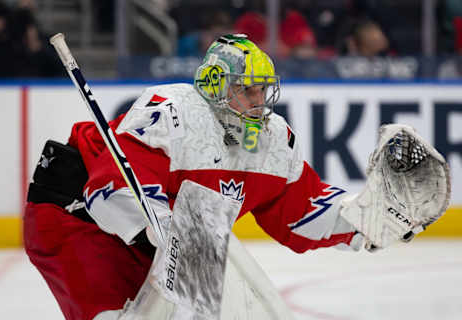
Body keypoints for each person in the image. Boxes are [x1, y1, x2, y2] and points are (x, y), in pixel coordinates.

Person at [23, 34, 447, 320]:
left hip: (170, 239)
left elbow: (301, 211)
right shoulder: (171, 111)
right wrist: (160, 227)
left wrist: (366, 222)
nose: (260, 101)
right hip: (74, 217)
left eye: (264, 90)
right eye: (248, 89)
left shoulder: (272, 140)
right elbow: (109, 190)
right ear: (216, 86)